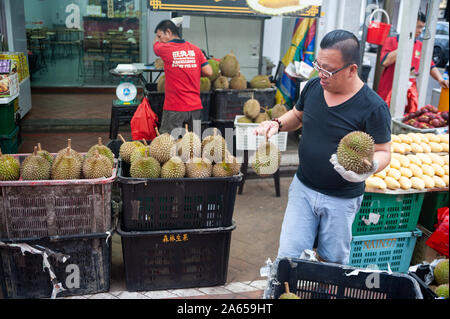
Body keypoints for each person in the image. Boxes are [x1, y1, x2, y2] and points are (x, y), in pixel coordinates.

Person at [255, 30, 392, 265]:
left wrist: (369, 168)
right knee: (289, 257)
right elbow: (298, 116)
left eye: (328, 70)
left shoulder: (374, 107)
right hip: (303, 189)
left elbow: (384, 150)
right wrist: (277, 124)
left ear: (352, 69)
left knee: (332, 263)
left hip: (342, 199)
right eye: (318, 65)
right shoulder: (314, 87)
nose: (321, 74)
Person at [377, 12, 449, 110]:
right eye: (418, 27)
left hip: (409, 95)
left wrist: (440, 79)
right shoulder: (391, 41)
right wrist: (405, 43)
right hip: (389, 91)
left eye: (422, 28)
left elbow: (430, 66)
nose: (420, 31)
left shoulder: (420, 46)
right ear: (408, 25)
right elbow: (385, 62)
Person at [153, 20, 213, 134]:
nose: (159, 39)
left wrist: (156, 37)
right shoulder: (195, 49)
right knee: (192, 145)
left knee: (168, 144)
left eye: (160, 35)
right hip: (195, 107)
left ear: (168, 32)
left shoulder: (165, 48)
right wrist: (191, 69)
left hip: (175, 107)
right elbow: (209, 71)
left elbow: (155, 46)